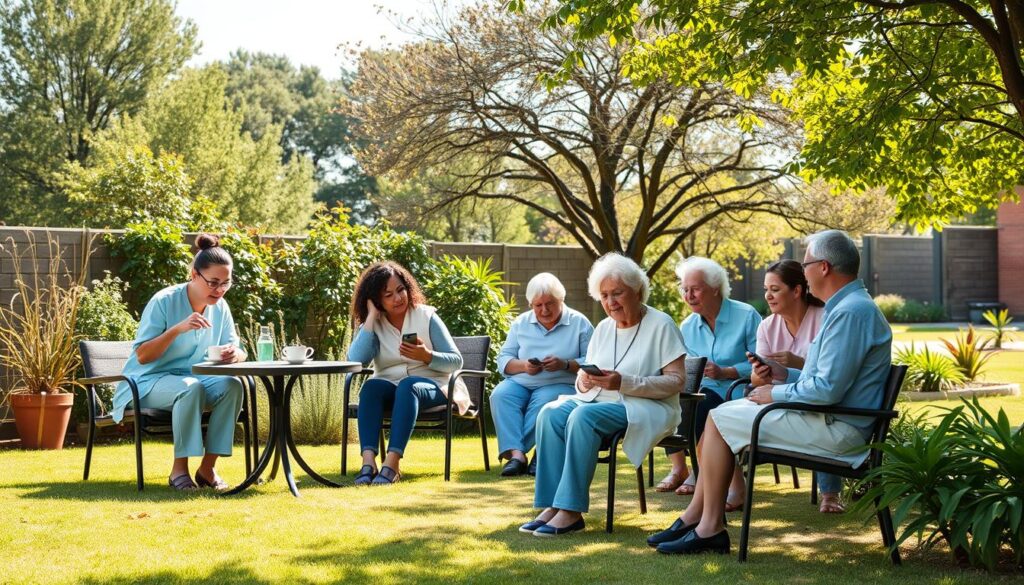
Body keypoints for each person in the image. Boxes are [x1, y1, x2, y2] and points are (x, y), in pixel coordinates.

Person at [649, 229, 892, 555]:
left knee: (720, 418)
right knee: (719, 416)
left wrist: (774, 394)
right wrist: (784, 374)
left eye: (805, 264)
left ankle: (708, 527)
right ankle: (700, 519)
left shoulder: (850, 312)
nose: (803, 272)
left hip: (839, 430)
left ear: (823, 267)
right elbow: (825, 377)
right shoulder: (847, 307)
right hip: (828, 418)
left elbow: (826, 390)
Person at [519, 253, 687, 537]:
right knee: (549, 413)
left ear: (637, 290)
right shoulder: (604, 328)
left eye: (617, 293)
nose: (611, 302)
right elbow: (585, 381)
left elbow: (676, 381)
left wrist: (624, 382)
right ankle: (551, 504)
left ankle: (571, 511)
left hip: (646, 406)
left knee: (583, 416)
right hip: (601, 400)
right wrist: (584, 381)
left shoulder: (661, 324)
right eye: (605, 295)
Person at [114, 234, 246, 491]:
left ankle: (207, 469)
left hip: (193, 379)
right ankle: (179, 471)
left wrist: (235, 355)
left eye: (226, 283)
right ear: (195, 275)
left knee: (232, 385)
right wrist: (177, 329)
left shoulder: (221, 306)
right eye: (213, 282)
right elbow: (143, 356)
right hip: (146, 382)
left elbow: (239, 350)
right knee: (190, 388)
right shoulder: (164, 301)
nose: (219, 289)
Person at [347, 261, 466, 485]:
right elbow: (354, 361)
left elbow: (455, 361)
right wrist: (371, 317)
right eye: (388, 294)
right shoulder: (374, 324)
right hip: (391, 386)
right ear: (376, 300)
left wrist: (427, 356)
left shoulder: (426, 316)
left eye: (400, 290)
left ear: (408, 287)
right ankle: (368, 462)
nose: (398, 298)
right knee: (371, 387)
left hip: (435, 385)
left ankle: (391, 464)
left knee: (408, 385)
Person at [659, 257, 760, 513]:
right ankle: (696, 471)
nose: (688, 295)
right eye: (684, 289)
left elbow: (764, 362)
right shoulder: (688, 325)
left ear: (715, 287)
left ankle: (723, 481)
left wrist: (727, 370)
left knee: (703, 410)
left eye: (695, 288)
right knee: (682, 404)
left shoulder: (746, 315)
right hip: (705, 391)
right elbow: (689, 366)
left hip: (741, 391)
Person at [754, 260, 843, 513]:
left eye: (775, 289)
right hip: (778, 396)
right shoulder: (767, 326)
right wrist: (762, 372)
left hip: (816, 395)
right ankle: (734, 489)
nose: (768, 296)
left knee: (818, 412)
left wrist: (799, 364)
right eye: (766, 289)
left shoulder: (825, 318)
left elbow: (828, 375)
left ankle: (830, 494)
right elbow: (756, 382)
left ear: (797, 290)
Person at [491, 273, 593, 477]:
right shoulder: (520, 323)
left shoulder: (579, 323)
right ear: (530, 304)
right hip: (522, 380)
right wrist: (524, 366)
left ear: (561, 300)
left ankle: (537, 452)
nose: (544, 310)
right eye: (538, 305)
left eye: (550, 304)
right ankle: (517, 455)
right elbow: (503, 360)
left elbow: (593, 361)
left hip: (561, 382)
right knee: (500, 395)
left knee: (544, 400)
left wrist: (565, 364)